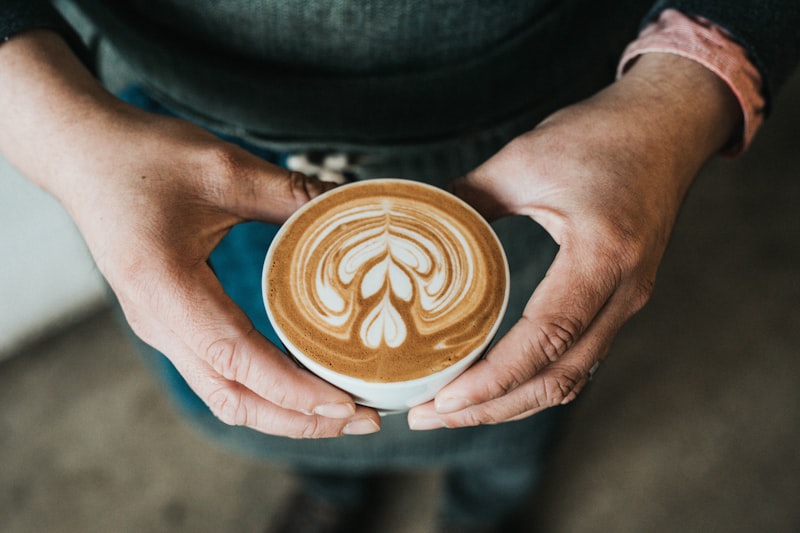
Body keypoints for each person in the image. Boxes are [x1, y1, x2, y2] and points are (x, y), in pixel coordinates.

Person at [2, 1, 798, 531]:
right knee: (262, 383)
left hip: (542, 127)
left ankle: (488, 508)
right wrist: (57, 130)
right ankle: (335, 486)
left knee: (524, 387)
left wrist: (690, 82)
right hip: (171, 136)